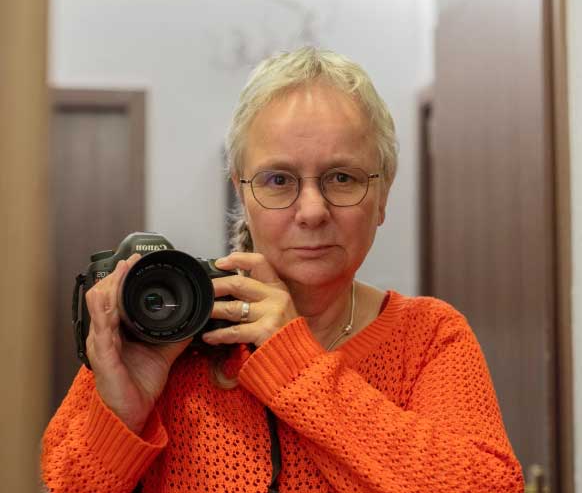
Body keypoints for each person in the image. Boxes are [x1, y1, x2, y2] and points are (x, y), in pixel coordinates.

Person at [41, 47, 524, 492]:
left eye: (342, 177)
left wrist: (297, 367)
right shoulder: (166, 330)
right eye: (278, 180)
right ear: (242, 191)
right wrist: (122, 417)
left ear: (382, 195)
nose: (312, 211)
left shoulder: (429, 338)